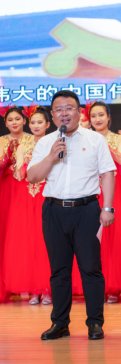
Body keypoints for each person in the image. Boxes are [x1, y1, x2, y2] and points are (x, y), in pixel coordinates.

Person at [27, 90, 116, 341]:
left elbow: (108, 173)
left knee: (90, 269)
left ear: (79, 112)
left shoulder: (95, 139)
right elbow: (33, 176)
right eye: (59, 109)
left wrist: (107, 208)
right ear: (52, 115)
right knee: (59, 270)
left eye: (69, 108)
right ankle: (60, 323)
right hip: (54, 210)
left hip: (87, 210)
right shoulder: (46, 142)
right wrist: (51, 156)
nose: (64, 113)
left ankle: (95, 323)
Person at [88, 101, 121, 303]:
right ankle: (93, 285)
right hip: (90, 190)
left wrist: (105, 146)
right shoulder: (85, 137)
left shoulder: (117, 138)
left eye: (101, 115)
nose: (97, 119)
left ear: (109, 117)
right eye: (93, 116)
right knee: (89, 239)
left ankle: (113, 286)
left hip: (114, 192)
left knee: (114, 240)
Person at [3, 105, 52, 305]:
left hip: (47, 195)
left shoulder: (53, 143)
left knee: (47, 242)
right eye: (33, 122)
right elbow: (18, 175)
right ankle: (34, 290)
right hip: (26, 198)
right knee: (29, 242)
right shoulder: (23, 146)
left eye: (40, 122)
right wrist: (24, 164)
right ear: (28, 124)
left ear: (48, 124)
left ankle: (48, 289)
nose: (36, 126)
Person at [0, 105, 33, 302]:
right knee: (6, 234)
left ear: (24, 121)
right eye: (10, 120)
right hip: (6, 190)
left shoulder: (32, 139)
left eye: (17, 119)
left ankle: (27, 282)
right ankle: (7, 283)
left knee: (25, 235)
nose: (14, 122)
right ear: (5, 123)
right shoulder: (2, 141)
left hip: (26, 191)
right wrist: (7, 154)